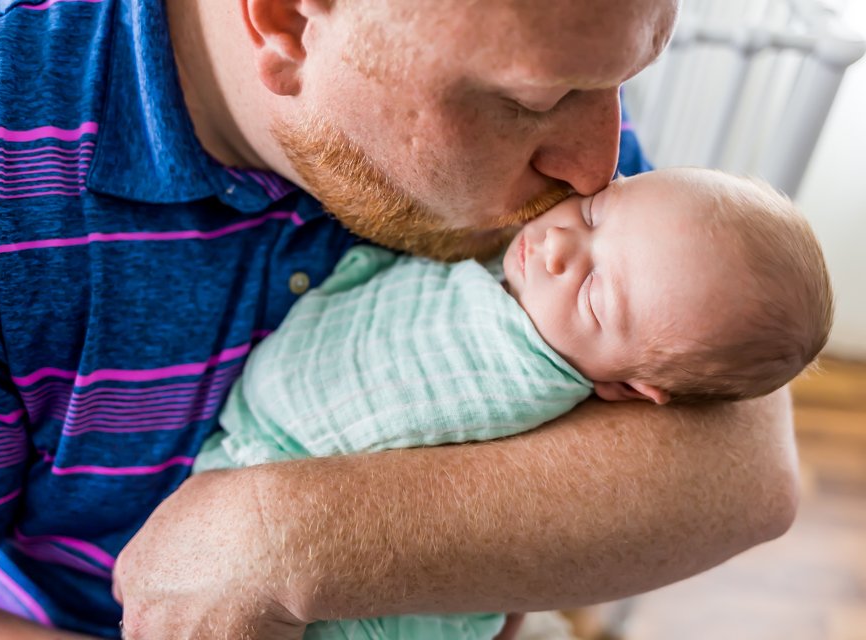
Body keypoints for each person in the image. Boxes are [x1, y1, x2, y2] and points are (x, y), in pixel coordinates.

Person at [0, 0, 800, 639]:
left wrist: (280, 535)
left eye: (620, 83)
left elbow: (745, 463)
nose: (597, 166)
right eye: (530, 103)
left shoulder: (538, 84)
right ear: (289, 23)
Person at [191, 167, 833, 640]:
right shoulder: (621, 209)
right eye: (597, 211)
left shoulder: (517, 371)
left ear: (626, 390)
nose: (556, 245)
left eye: (595, 299)